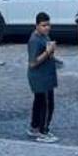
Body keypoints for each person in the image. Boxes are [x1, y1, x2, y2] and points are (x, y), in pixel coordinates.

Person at [27, 12, 59, 143]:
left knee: (39, 102)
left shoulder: (44, 36)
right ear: (37, 26)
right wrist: (48, 52)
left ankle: (34, 127)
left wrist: (51, 54)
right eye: (44, 25)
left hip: (46, 75)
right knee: (47, 105)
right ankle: (43, 131)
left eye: (48, 25)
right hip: (40, 78)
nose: (47, 28)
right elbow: (33, 62)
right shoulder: (34, 40)